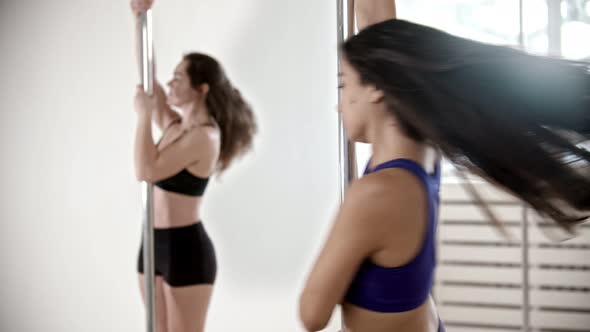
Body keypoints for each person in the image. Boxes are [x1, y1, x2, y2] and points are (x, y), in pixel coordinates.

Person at [300, 0, 589, 331]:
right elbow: (379, 33)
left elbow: (312, 314)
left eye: (344, 84)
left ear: (376, 88)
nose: (339, 104)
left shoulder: (374, 194)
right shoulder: (424, 155)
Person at [131, 1, 257, 331]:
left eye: (178, 78)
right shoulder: (174, 127)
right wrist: (140, 18)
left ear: (201, 89)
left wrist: (144, 116)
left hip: (186, 251)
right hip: (152, 243)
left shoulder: (205, 138)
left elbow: (147, 170)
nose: (170, 85)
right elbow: (148, 79)